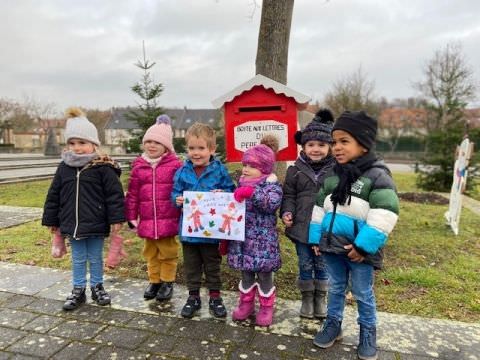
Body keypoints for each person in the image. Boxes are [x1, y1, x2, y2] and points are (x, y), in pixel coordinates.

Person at [308, 111, 399, 360]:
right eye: (334, 142)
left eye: (344, 141)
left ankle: (368, 332)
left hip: (359, 252)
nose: (336, 147)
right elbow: (319, 208)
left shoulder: (377, 176)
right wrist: (316, 238)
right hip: (332, 248)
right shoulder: (332, 174)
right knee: (335, 288)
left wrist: (362, 247)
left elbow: (385, 214)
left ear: (363, 143)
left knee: (362, 293)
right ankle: (333, 324)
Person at [42, 107, 125, 311]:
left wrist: (116, 219)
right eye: (72, 143)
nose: (77, 148)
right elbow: (54, 195)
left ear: (93, 144)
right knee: (78, 259)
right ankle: (78, 289)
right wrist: (52, 220)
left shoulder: (103, 168)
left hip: (96, 222)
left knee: (95, 257)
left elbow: (114, 196)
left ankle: (97, 286)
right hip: (72, 224)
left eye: (82, 143)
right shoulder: (64, 167)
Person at [171, 123, 235, 318]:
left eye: (201, 148)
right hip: (189, 232)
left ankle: (215, 296)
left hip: (211, 233)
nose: (196, 153)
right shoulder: (182, 172)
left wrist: (223, 194)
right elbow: (174, 193)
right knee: (191, 266)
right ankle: (193, 297)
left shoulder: (220, 171)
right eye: (191, 148)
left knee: (212, 265)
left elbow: (232, 192)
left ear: (212, 149)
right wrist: (178, 200)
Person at [280, 109, 336, 319]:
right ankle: (306, 297)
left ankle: (321, 297)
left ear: (330, 147)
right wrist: (286, 212)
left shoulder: (336, 170)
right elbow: (289, 195)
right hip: (301, 227)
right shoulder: (295, 170)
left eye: (321, 145)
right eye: (311, 145)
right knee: (305, 262)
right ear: (303, 146)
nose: (316, 149)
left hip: (324, 227)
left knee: (322, 263)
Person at [124, 115, 182, 301]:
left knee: (168, 253)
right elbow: (133, 194)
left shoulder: (175, 165)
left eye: (156, 142)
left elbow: (181, 189)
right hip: (147, 220)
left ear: (166, 146)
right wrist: (131, 216)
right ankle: (154, 281)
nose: (151, 145)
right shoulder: (139, 166)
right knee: (151, 253)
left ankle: (167, 282)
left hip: (169, 218)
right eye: (148, 141)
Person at [227, 142, 283, 327]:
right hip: (243, 241)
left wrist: (252, 193)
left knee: (265, 276)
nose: (246, 169)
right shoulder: (241, 184)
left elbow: (270, 204)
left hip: (263, 244)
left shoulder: (272, 186)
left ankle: (266, 307)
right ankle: (246, 303)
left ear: (265, 169)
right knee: (246, 274)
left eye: (252, 166)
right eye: (245, 165)